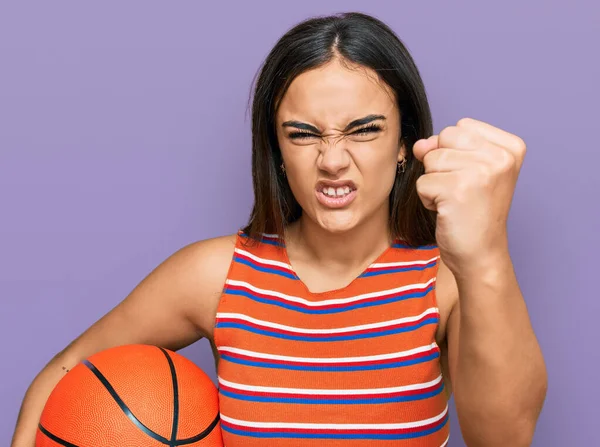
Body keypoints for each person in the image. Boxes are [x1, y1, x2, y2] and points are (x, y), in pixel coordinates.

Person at [11, 11, 547, 447]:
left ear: (404, 144)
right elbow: (66, 371)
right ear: (277, 149)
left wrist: (486, 253)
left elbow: (504, 439)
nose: (332, 160)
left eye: (363, 131)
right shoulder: (218, 276)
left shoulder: (447, 285)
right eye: (303, 134)